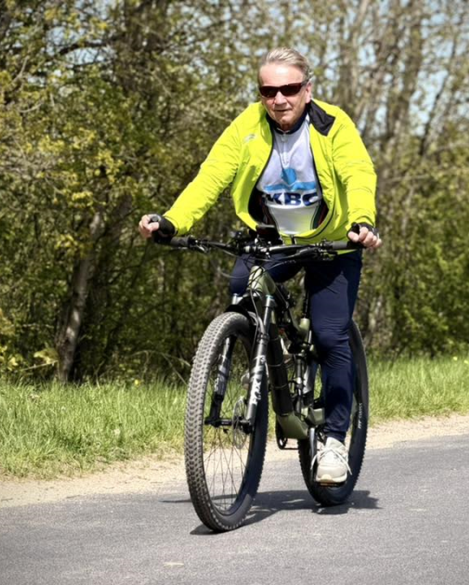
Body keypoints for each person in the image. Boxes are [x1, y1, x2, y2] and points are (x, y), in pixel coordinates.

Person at [139, 47, 381, 484]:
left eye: (289, 89)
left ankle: (332, 440)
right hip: (272, 240)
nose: (279, 99)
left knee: (329, 335)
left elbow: (357, 173)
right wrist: (172, 220)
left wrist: (363, 221)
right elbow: (211, 177)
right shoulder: (247, 127)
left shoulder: (332, 126)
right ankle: (276, 366)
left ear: (307, 90)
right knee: (244, 295)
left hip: (333, 242)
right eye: (269, 91)